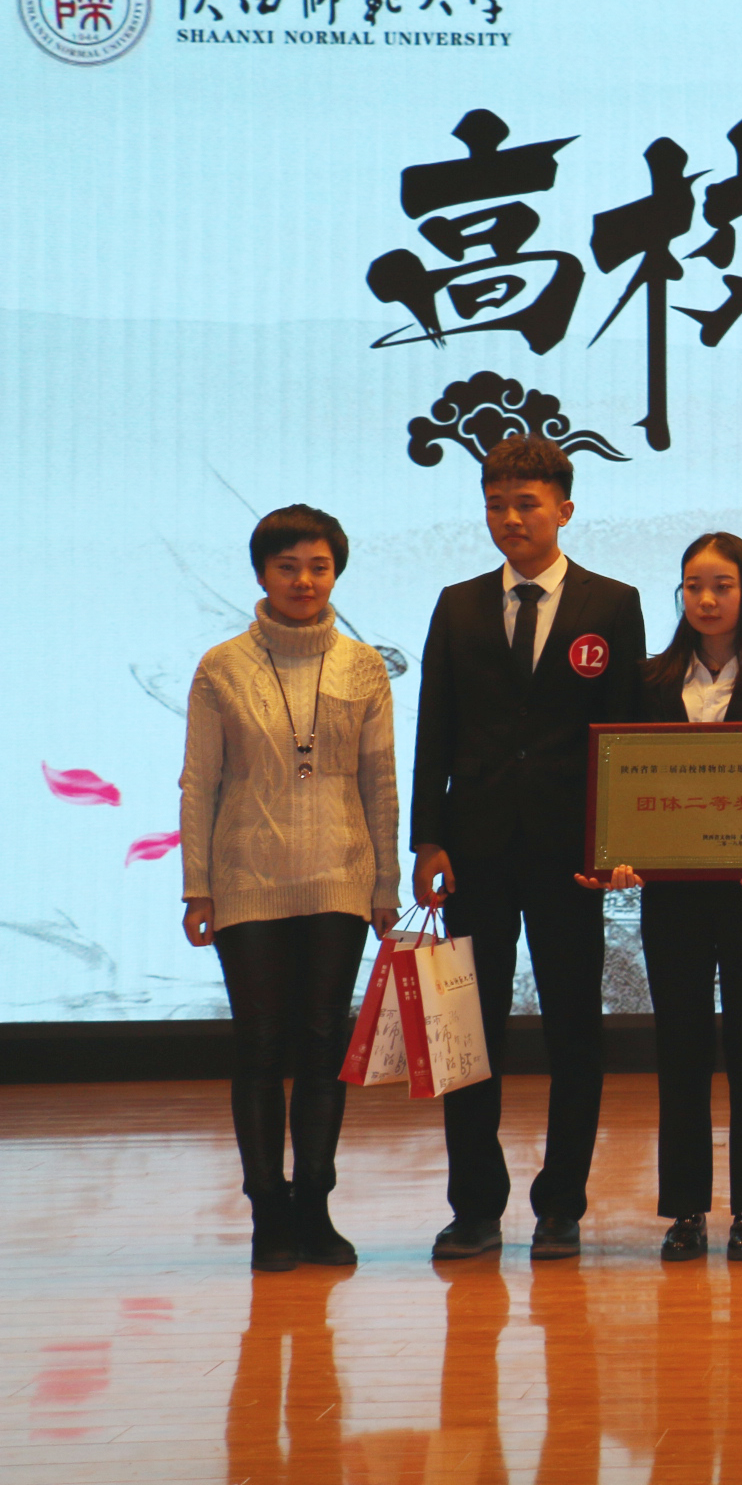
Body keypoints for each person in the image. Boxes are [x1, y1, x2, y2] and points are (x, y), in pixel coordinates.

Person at [411, 435, 646, 1262]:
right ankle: (475, 1207)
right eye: (496, 504)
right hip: (473, 850)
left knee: (575, 1031)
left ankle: (562, 1206)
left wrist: (618, 844)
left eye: (526, 504)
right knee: (469, 1034)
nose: (510, 518)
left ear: (564, 510)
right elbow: (433, 728)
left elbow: (624, 734)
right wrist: (427, 838)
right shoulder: (458, 605)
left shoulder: (612, 605)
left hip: (569, 854)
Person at [178, 504, 400, 1271]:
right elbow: (200, 782)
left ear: (336, 573)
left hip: (340, 876)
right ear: (262, 573)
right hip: (247, 877)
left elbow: (380, 782)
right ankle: (267, 1211)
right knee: (260, 1045)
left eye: (319, 567)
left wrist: (384, 884)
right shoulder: (221, 666)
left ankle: (315, 1206)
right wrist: (197, 887)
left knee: (322, 1045)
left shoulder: (363, 666)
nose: (304, 581)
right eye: (288, 567)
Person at [593, 532, 742, 1263]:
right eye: (694, 586)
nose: (708, 600)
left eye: (723, 585)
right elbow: (625, 781)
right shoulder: (649, 679)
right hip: (674, 897)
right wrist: (621, 853)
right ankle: (684, 1208)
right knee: (680, 1048)